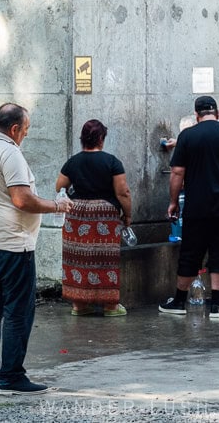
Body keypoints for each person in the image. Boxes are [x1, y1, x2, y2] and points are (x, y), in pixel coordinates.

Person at [0, 102, 72, 395]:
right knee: (17, 312)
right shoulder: (9, 153)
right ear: (14, 129)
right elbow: (22, 200)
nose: (25, 135)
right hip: (14, 245)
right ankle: (11, 377)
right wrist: (57, 205)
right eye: (25, 130)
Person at [158, 96, 219, 319]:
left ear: (197, 115)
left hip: (197, 205)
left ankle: (179, 301)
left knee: (191, 253)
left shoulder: (187, 136)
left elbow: (177, 173)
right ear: (217, 113)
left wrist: (172, 202)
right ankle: (217, 305)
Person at [56, 119, 131, 317]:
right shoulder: (112, 162)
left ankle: (79, 305)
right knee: (105, 258)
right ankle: (110, 306)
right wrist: (128, 215)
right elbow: (123, 192)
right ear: (101, 139)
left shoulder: (73, 161)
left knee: (77, 258)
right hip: (104, 216)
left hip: (77, 214)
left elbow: (59, 187)